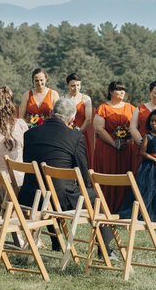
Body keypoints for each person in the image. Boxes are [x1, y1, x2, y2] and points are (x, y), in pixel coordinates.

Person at [18, 98, 114, 255]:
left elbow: (27, 163)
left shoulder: (29, 134)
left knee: (48, 189)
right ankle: (105, 250)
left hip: (30, 197)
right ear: (72, 119)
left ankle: (57, 243)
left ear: (50, 113)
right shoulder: (75, 137)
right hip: (58, 198)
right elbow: (83, 175)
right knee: (95, 196)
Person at [92, 81, 136, 214]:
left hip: (126, 149)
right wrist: (113, 143)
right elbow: (98, 129)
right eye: (118, 89)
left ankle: (124, 207)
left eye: (123, 89)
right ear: (111, 92)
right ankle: (105, 206)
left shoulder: (131, 108)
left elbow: (135, 128)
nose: (122, 92)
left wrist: (128, 141)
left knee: (124, 174)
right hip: (107, 148)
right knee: (107, 173)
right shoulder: (103, 108)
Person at [65, 73, 93, 169]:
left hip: (81, 134)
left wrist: (78, 133)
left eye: (78, 85)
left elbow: (88, 119)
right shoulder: (62, 99)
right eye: (73, 85)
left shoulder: (86, 99)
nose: (76, 88)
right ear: (67, 85)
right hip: (66, 135)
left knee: (82, 162)